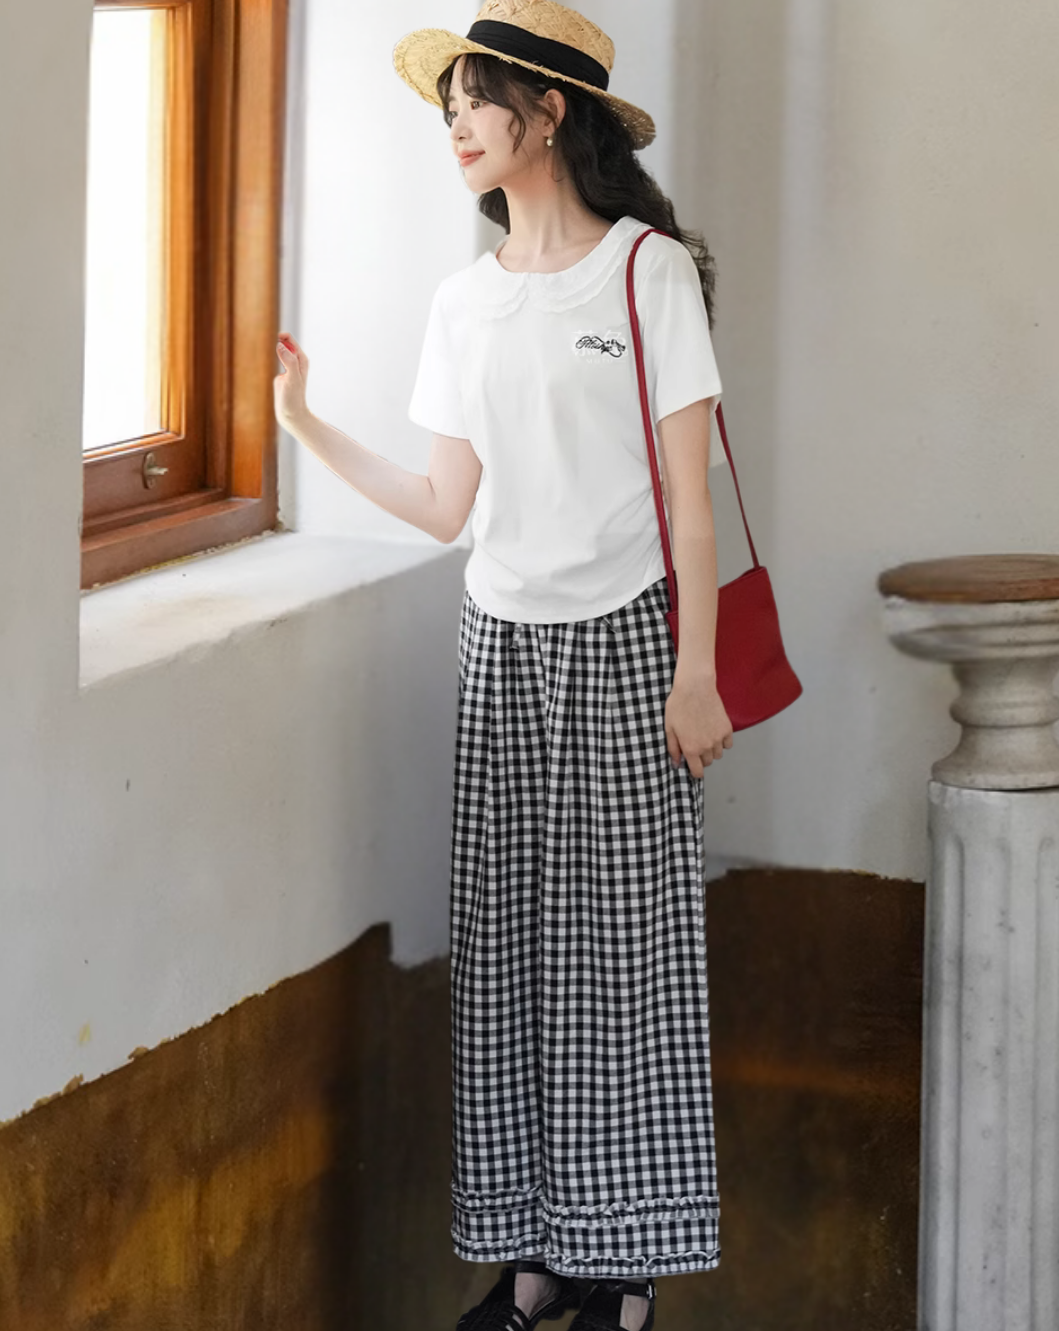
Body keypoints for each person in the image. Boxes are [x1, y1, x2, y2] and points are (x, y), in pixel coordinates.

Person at [273, 3, 732, 1327]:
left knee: (625, 959)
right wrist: (303, 423)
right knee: (508, 953)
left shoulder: (647, 273)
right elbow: (442, 506)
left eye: (478, 98)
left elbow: (690, 504)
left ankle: (622, 1267)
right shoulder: (463, 300)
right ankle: (533, 1264)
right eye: (449, 105)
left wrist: (696, 672)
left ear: (551, 111)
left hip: (634, 644)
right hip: (500, 648)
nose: (458, 124)